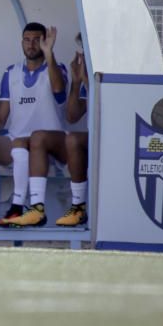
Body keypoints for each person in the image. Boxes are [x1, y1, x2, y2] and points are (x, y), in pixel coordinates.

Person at [0, 23, 67, 227]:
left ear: (45, 41)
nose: (31, 44)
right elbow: (1, 116)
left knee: (21, 143)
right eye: (27, 40)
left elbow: (58, 89)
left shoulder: (56, 68)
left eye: (37, 39)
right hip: (16, 141)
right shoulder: (11, 72)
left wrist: (49, 54)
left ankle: (17, 206)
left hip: (48, 144)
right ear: (21, 42)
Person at [58, 34, 89, 226]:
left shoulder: (114, 66)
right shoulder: (87, 77)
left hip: (119, 136)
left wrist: (87, 80)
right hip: (97, 138)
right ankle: (78, 206)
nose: (82, 55)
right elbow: (72, 116)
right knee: (72, 139)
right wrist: (77, 82)